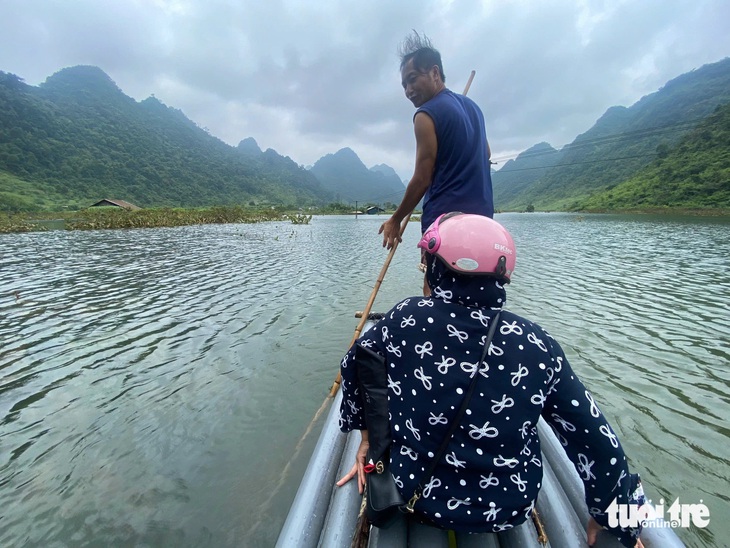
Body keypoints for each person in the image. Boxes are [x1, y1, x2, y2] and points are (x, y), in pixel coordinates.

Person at [337, 213, 645, 547]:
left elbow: (355, 364)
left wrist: (369, 439)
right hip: (505, 508)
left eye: (426, 267)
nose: (425, 275)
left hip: (418, 494)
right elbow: (594, 438)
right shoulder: (537, 343)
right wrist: (616, 520)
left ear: (440, 269)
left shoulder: (407, 319)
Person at [379, 32, 494, 296]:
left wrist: (396, 219)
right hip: (483, 222)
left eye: (412, 79)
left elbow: (422, 178)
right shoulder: (474, 109)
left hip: (445, 225)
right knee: (472, 292)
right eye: (404, 85)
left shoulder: (425, 115)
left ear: (434, 73)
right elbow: (486, 154)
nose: (408, 90)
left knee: (435, 292)